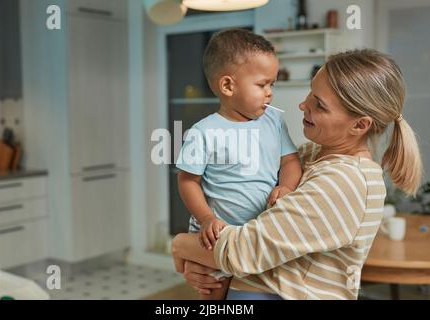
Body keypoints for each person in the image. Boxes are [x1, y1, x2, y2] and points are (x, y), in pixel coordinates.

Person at [172, 49, 423, 300]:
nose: (303, 105)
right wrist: (204, 265)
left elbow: (245, 251)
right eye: (311, 93)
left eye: (320, 104)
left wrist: (182, 246)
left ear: (359, 125)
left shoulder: (347, 182)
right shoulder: (310, 155)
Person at [175, 29, 303, 300]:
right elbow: (188, 181)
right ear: (228, 86)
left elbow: (290, 160)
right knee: (212, 295)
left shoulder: (274, 121)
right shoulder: (203, 132)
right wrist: (206, 218)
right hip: (215, 238)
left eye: (273, 85)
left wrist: (287, 186)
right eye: (262, 85)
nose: (269, 94)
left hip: (259, 236)